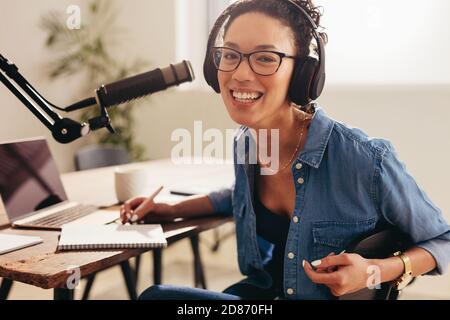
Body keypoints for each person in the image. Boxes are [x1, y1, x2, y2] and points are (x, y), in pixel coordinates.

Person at [120, 0, 450, 300]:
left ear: (303, 74)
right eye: (230, 55)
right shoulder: (246, 142)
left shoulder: (365, 159)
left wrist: (375, 271)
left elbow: (442, 241)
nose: (240, 74)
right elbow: (238, 196)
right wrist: (170, 209)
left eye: (265, 58)